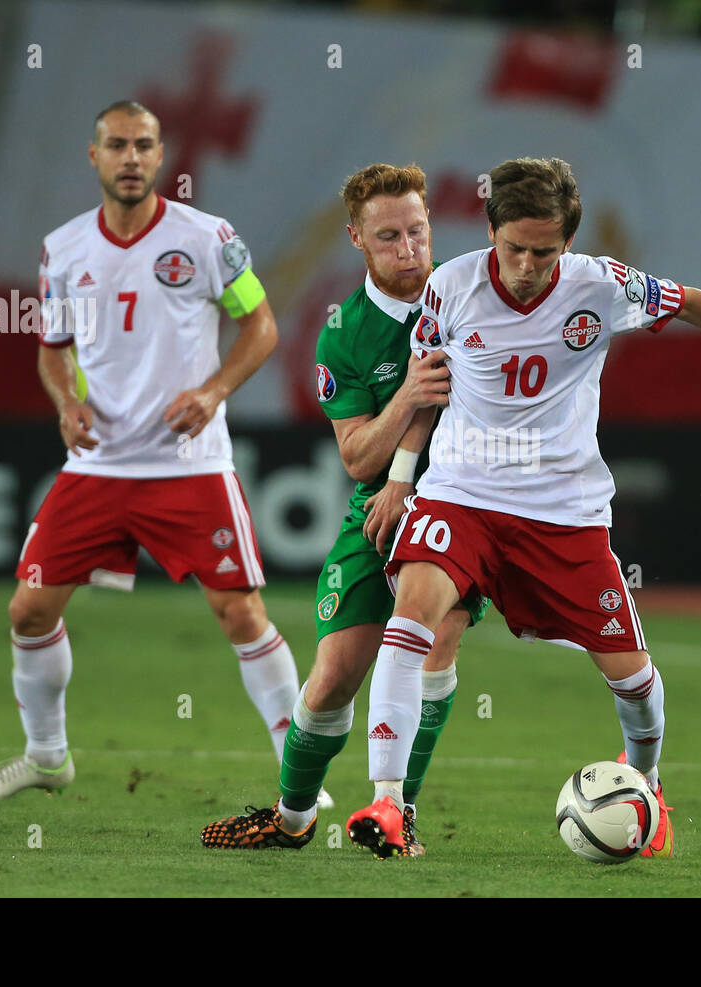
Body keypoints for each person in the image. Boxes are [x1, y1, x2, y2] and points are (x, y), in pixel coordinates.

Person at [344, 157, 701, 858]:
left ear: (568, 245)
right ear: (491, 231)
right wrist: (403, 474)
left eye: (543, 252)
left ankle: (646, 785)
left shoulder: (601, 285)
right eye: (513, 247)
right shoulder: (448, 288)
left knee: (633, 679)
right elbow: (428, 388)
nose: (525, 265)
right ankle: (389, 804)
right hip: (462, 493)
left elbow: (692, 301)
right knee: (415, 620)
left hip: (564, 510)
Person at [0, 100, 314, 803]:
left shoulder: (208, 237)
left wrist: (214, 390)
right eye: (117, 145)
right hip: (97, 463)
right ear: (93, 156)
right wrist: (67, 402)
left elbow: (263, 325)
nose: (130, 157)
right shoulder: (62, 249)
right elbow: (52, 351)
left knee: (241, 614)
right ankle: (46, 755)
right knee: (28, 610)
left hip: (189, 464)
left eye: (144, 145)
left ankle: (298, 772)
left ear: (162, 157)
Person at [200, 164, 488, 855]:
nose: (410, 248)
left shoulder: (467, 290)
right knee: (332, 679)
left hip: (463, 503)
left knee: (435, 636)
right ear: (356, 237)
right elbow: (357, 458)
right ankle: (292, 817)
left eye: (418, 230)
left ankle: (399, 813)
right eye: (389, 236)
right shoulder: (343, 334)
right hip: (380, 507)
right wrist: (409, 395)